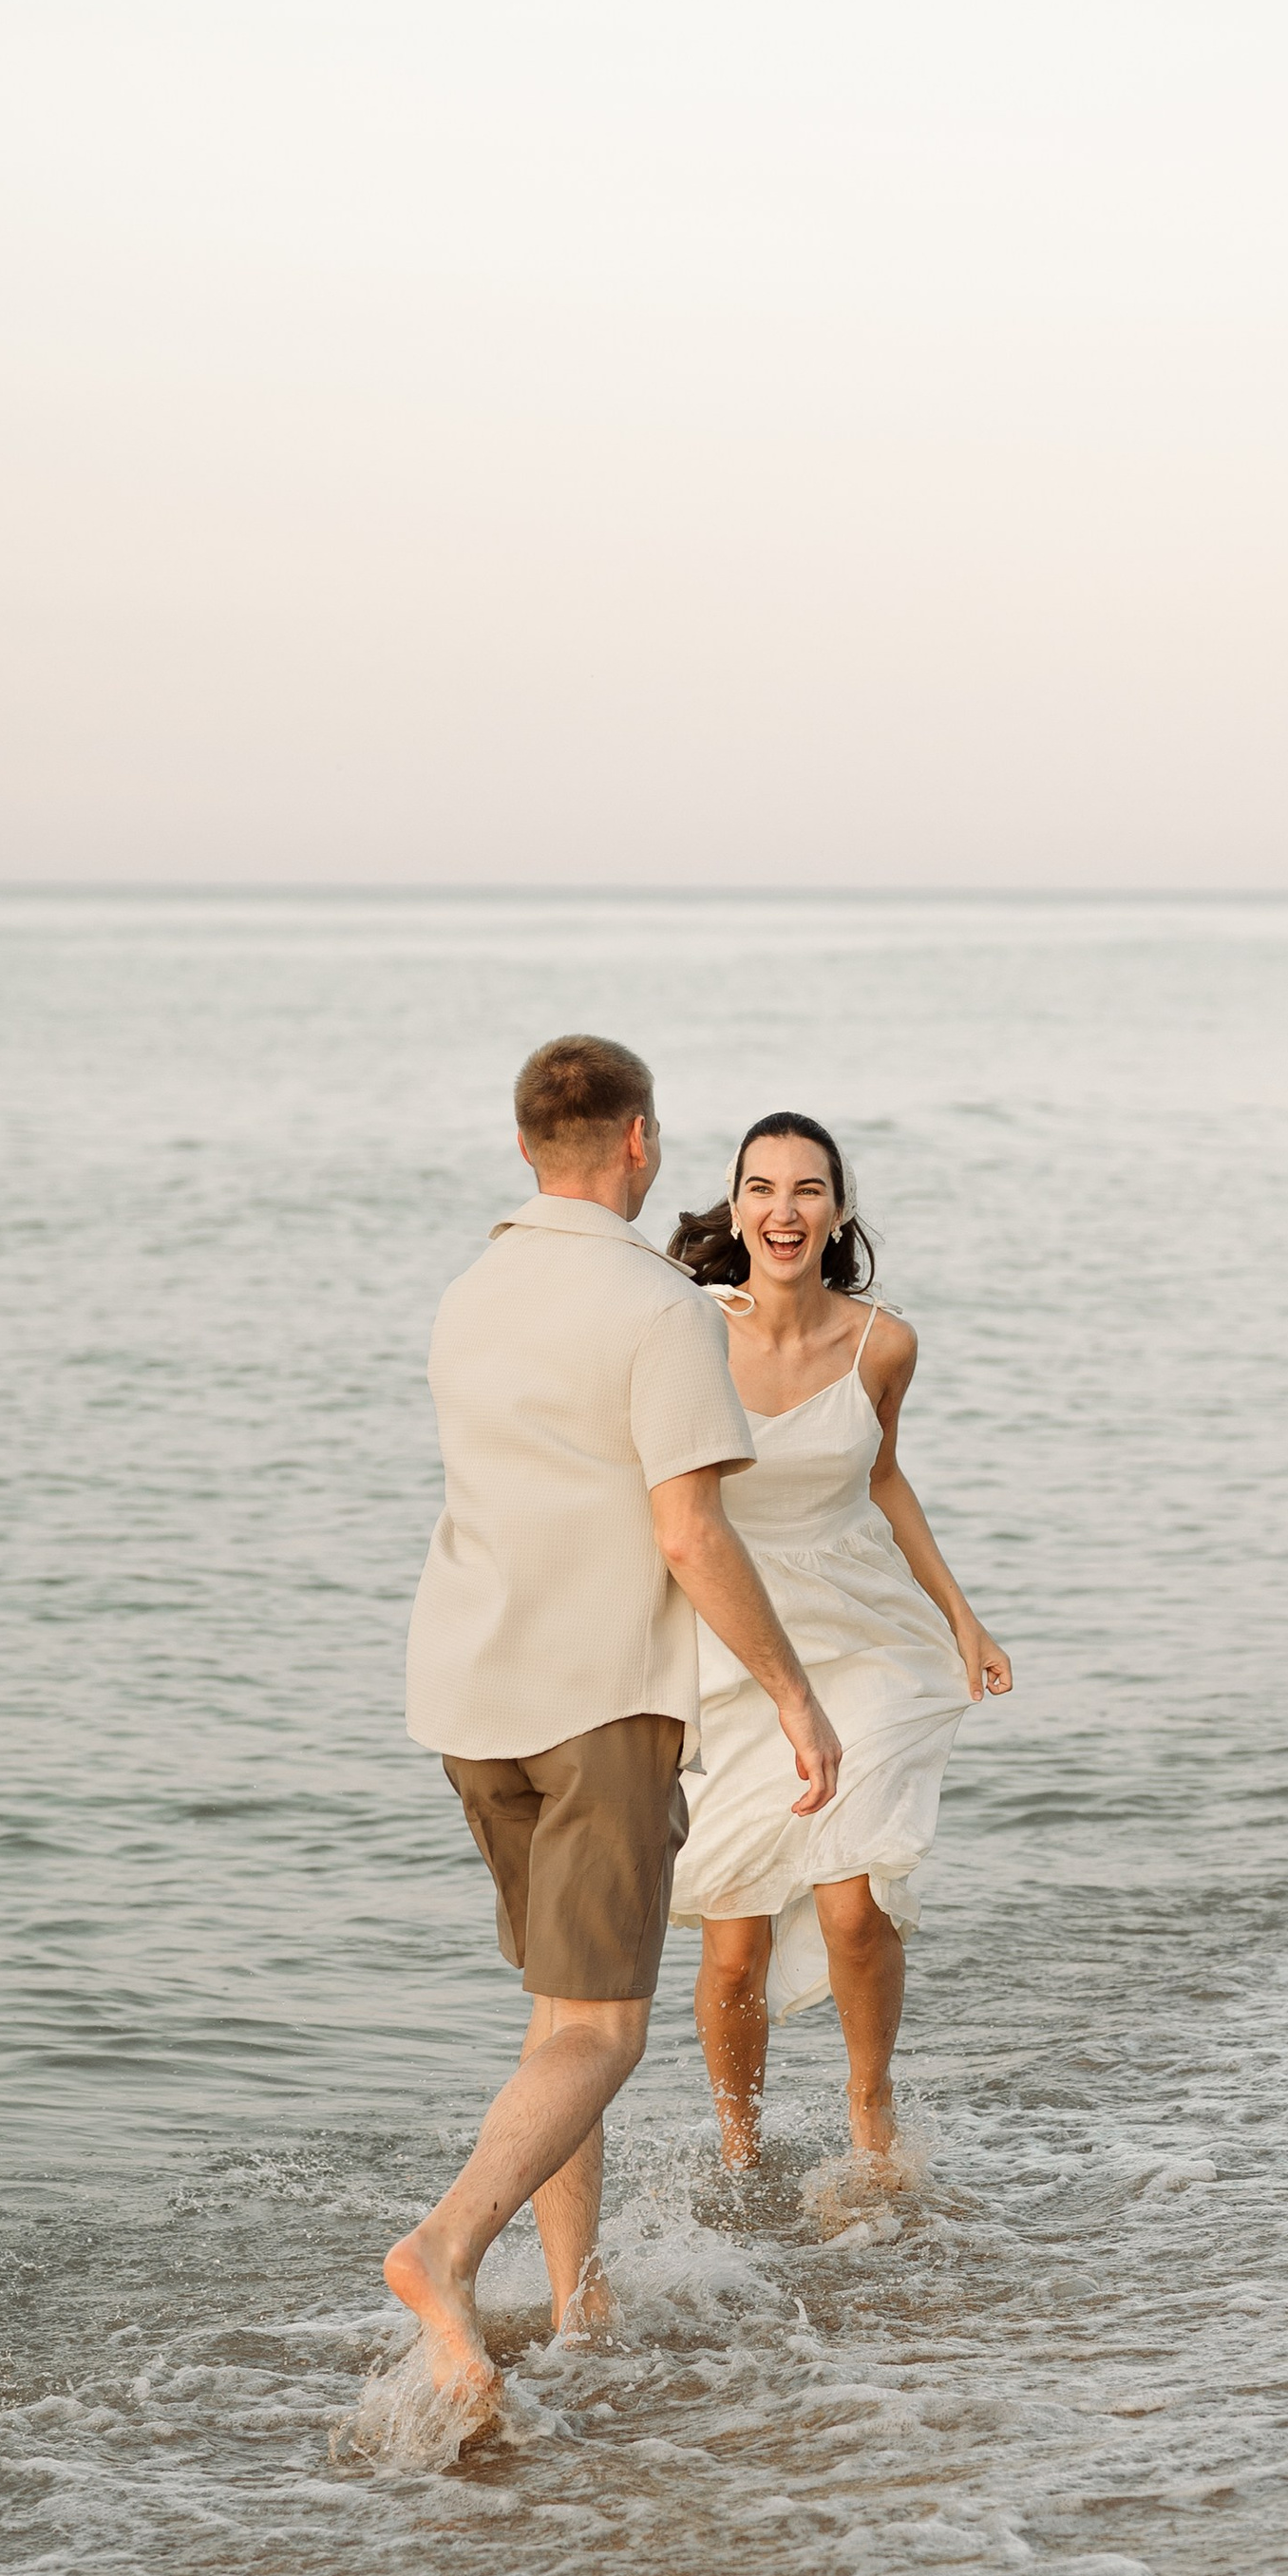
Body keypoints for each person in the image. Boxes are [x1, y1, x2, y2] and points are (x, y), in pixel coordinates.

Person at [388, 1036, 843, 2430]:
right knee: (605, 2028)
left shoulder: (470, 1292)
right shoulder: (655, 1307)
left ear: (528, 1144)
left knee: (555, 2014)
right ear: (638, 1144)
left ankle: (577, 2297)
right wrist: (793, 1692)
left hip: (470, 1697)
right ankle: (444, 2250)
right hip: (596, 1706)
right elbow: (689, 1530)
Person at [665, 1113, 1011, 2168]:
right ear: (735, 1208)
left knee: (853, 1901)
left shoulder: (882, 1342)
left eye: (807, 1189)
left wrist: (959, 1610)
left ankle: (870, 2106)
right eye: (761, 1188)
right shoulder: (683, 1332)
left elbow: (883, 1479)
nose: (783, 1210)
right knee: (732, 1948)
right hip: (732, 1653)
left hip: (866, 1639)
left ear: (838, 1209)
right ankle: (741, 2144)